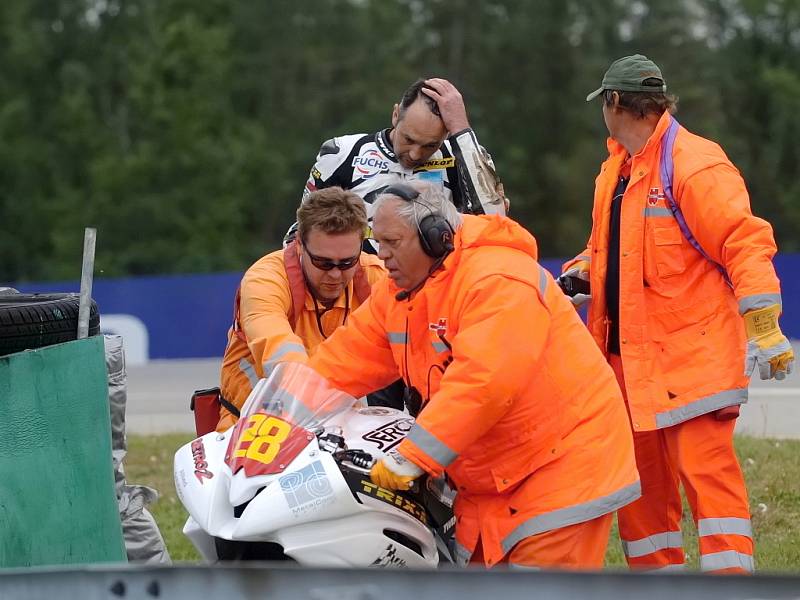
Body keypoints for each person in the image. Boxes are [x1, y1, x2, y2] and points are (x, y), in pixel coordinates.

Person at [306, 182, 640, 570]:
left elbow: (483, 383)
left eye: (392, 241)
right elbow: (339, 361)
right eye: (376, 242)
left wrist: (415, 455)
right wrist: (272, 418)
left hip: (561, 468)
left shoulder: (497, 279)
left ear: (435, 237)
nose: (381, 255)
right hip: (491, 480)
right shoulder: (398, 293)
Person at [563, 54, 795, 573]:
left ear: (615, 102)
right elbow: (606, 248)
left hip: (694, 364)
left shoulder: (694, 162)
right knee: (643, 497)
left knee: (709, 489)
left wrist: (763, 326)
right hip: (628, 368)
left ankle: (731, 585)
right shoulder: (616, 171)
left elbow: (744, 243)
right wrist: (581, 271)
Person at [216, 187, 386, 431]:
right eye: (323, 262)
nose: (336, 274)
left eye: (348, 262)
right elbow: (282, 357)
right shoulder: (264, 280)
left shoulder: (376, 275)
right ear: (299, 245)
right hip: (249, 428)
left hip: (336, 425)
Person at [297, 77, 508, 247]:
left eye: (429, 145)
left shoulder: (460, 157)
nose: (415, 154)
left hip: (434, 290)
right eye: (409, 139)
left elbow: (495, 226)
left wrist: (461, 129)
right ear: (395, 114)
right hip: (361, 288)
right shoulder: (342, 152)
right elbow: (301, 233)